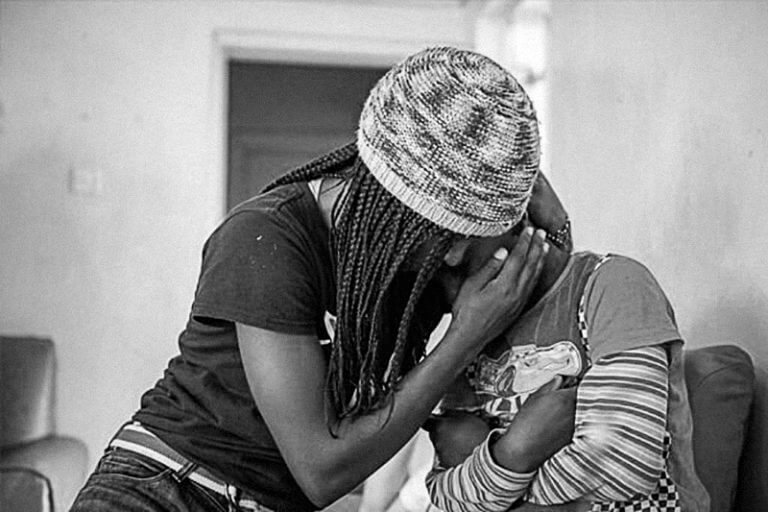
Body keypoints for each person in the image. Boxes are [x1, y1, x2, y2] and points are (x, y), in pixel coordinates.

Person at [70, 47, 577, 512]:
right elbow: (321, 469)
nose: (458, 257)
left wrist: (557, 236)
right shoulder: (266, 238)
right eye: (444, 235)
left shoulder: (431, 251)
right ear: (390, 204)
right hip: (166, 490)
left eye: (471, 234)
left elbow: (544, 315)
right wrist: (463, 339)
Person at [423, 141, 711, 510]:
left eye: (460, 232)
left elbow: (623, 462)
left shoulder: (611, 285)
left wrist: (497, 477)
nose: (450, 257)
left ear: (522, 199)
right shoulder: (468, 333)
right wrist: (513, 452)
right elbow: (446, 495)